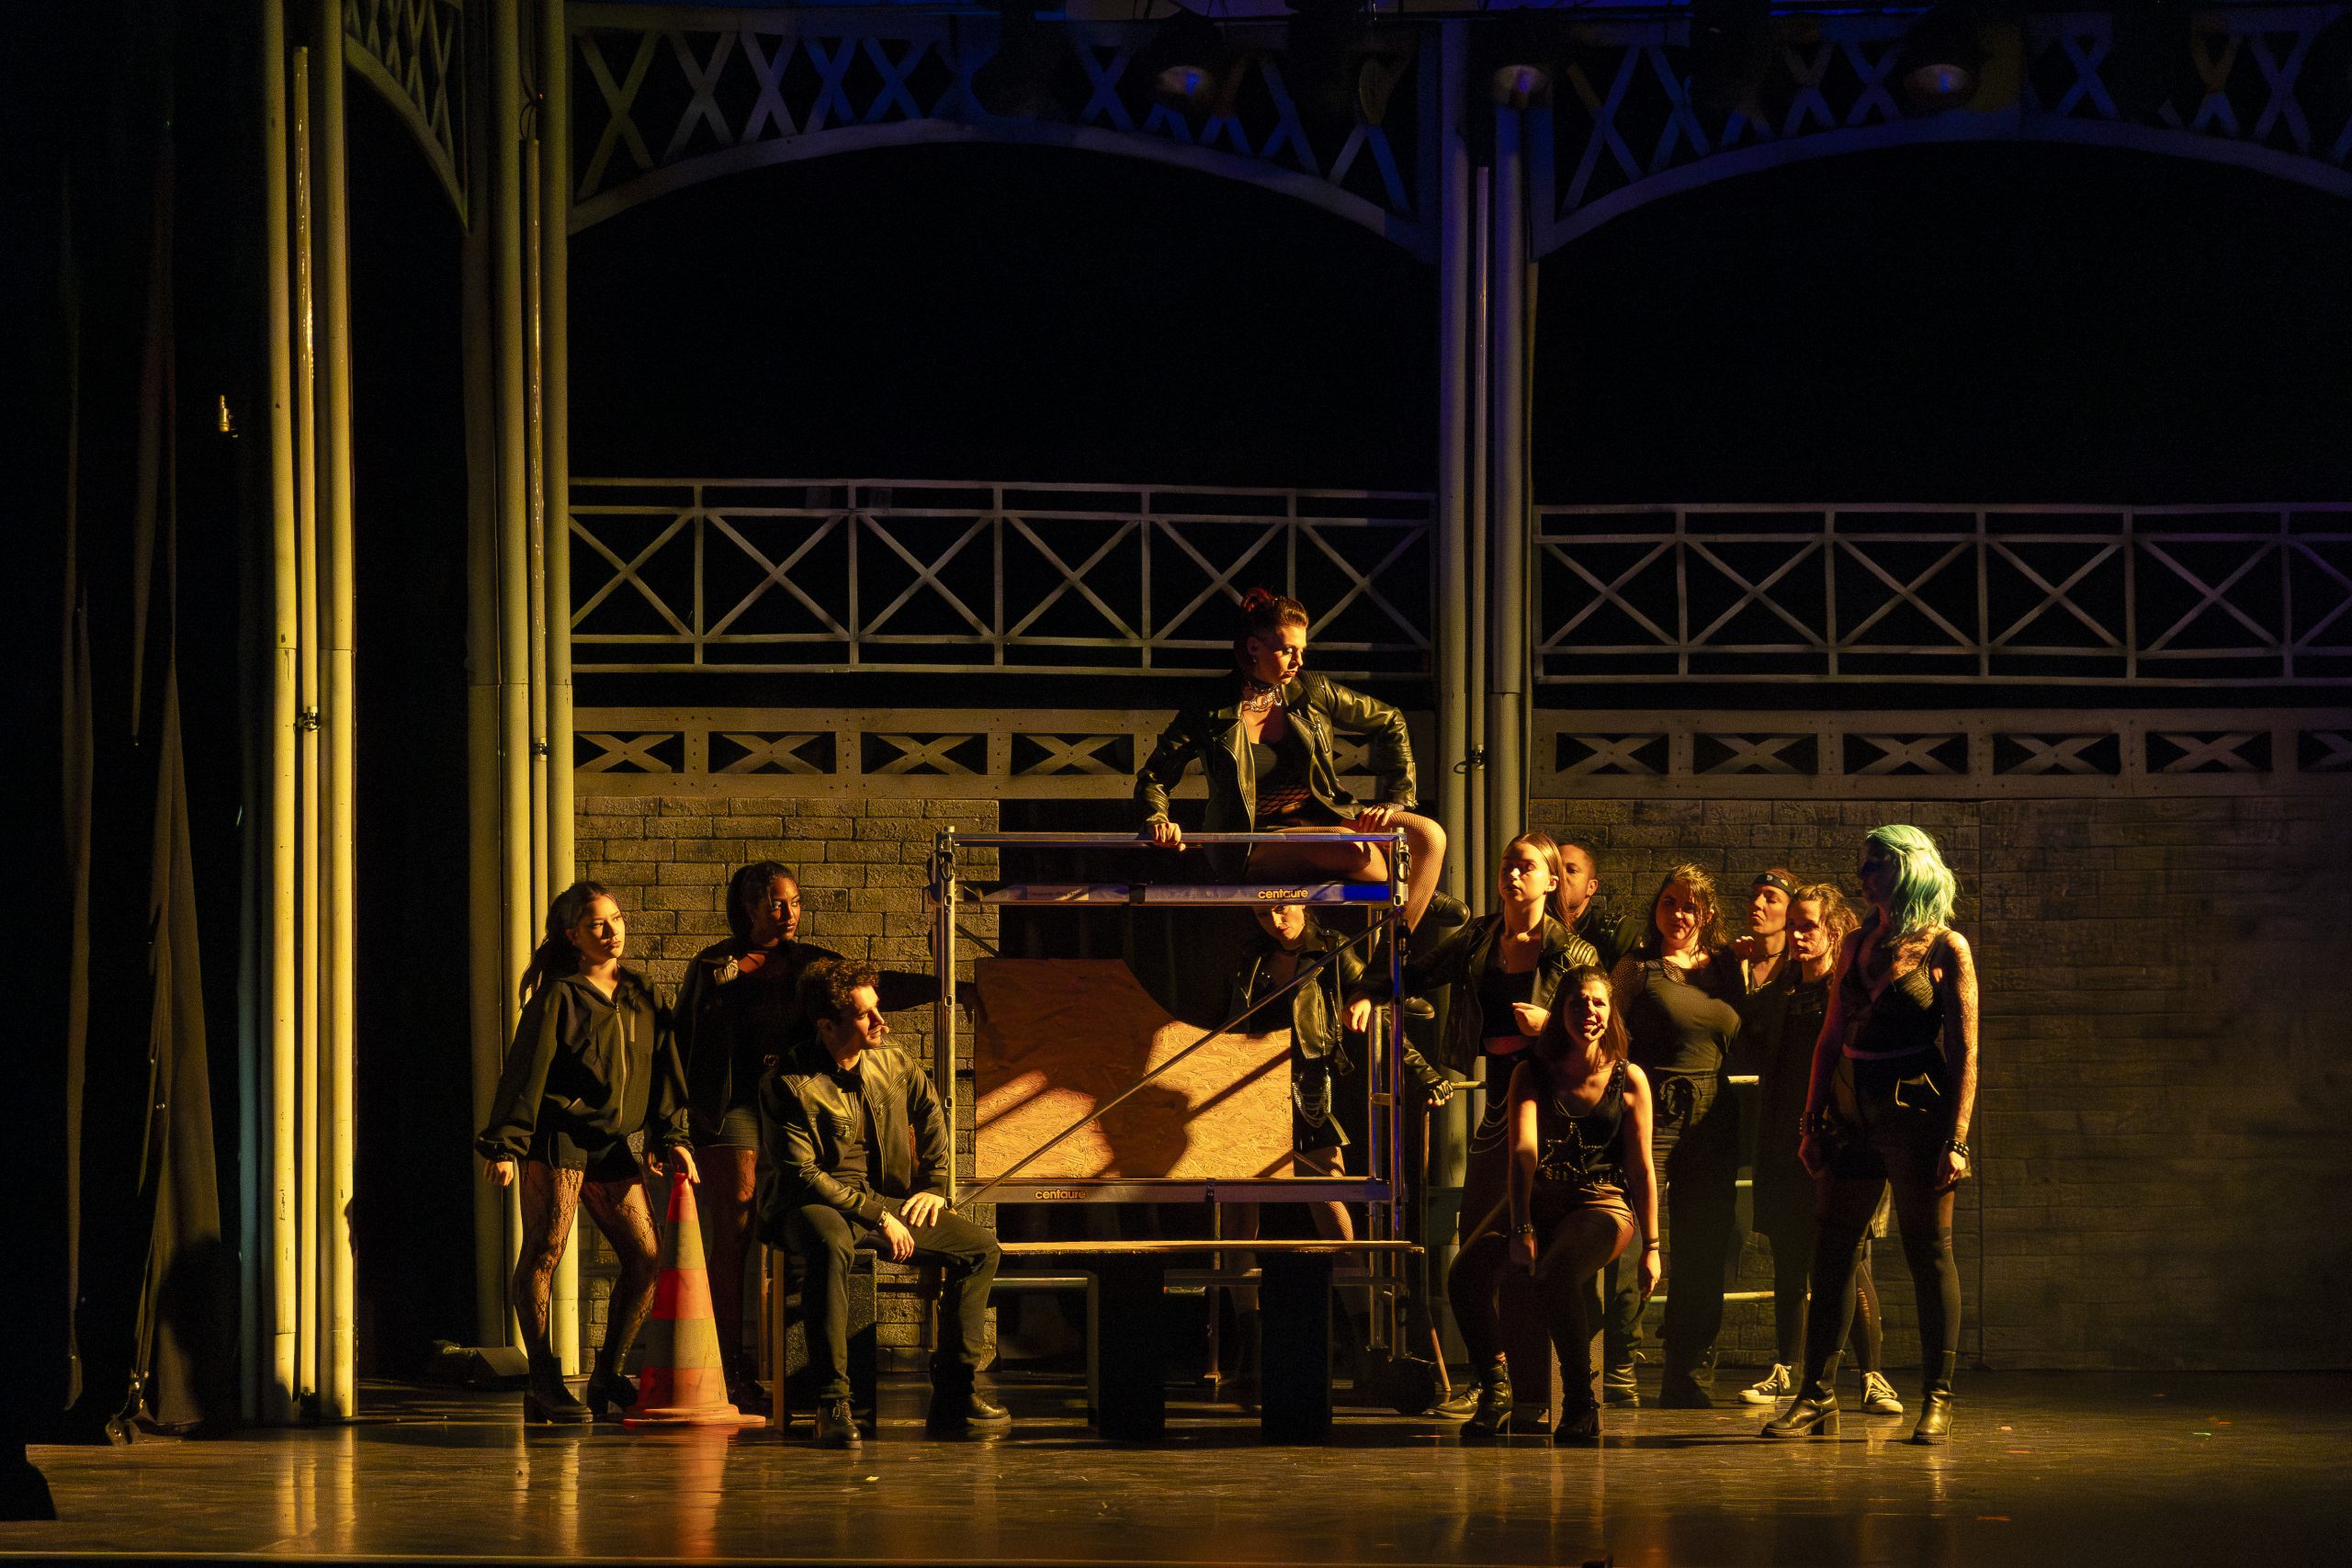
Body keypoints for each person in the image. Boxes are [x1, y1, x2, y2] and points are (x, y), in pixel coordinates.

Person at [676, 862, 933, 1409]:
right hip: (734, 1105)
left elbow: (875, 990)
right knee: (736, 1224)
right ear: (748, 907)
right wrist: (673, 1126)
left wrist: (952, 989)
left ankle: (799, 1371)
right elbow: (681, 1041)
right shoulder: (714, 965)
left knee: (804, 1206)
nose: (788, 912)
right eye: (776, 903)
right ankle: (730, 1366)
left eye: (794, 902)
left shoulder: (814, 964)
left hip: (797, 1097)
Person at [1764, 826, 1979, 1446]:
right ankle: (1816, 1394)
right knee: (1833, 1251)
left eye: (1876, 864)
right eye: (1861, 864)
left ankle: (1937, 1399)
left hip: (1916, 1113)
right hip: (1850, 1111)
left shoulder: (1946, 947)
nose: (1863, 876)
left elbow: (1965, 1051)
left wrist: (1957, 1138)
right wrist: (1811, 1120)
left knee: (1928, 1252)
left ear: (1909, 868)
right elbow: (1830, 1037)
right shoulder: (1857, 942)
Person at [1372, 832, 1594, 1427]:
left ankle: (1556, 1392)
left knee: (1542, 1254)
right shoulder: (1478, 938)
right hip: (1501, 1103)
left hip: (1554, 1110)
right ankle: (1492, 1381)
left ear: (1551, 880)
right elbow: (1412, 974)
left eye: (1526, 867)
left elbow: (1604, 1038)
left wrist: (1551, 1024)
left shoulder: (1573, 952)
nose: (1513, 875)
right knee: (1475, 1246)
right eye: (1507, 865)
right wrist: (1367, 987)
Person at [763, 958, 1008, 1448]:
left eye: (877, 1008)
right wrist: (881, 1216)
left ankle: (955, 1392)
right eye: (865, 1014)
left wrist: (932, 1185)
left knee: (980, 1249)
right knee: (831, 1245)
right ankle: (832, 1402)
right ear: (827, 1025)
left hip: (881, 1202)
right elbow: (803, 1174)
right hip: (811, 1204)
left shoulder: (893, 1063)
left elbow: (932, 1112)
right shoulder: (788, 1081)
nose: (882, 1022)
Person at [476, 882, 697, 1423]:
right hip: (560, 1138)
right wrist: (505, 1145)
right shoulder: (561, 996)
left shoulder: (644, 993)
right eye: (597, 923)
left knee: (646, 1257)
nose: (611, 930)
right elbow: (525, 1071)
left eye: (616, 918)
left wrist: (671, 1136)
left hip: (611, 1142)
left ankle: (607, 1375)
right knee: (545, 1251)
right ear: (572, 935)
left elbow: (666, 1069)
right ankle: (543, 1383)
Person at [1221, 904, 1452, 1402]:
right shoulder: (1250, 957)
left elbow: (1379, 1012)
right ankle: (1252, 1348)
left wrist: (1422, 1071)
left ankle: (1365, 1344)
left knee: (1332, 1210)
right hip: (1247, 1090)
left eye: (1282, 908)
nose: (1275, 920)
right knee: (1238, 1219)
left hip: (1306, 1091)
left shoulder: (1332, 951)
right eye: (1262, 913)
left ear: (1303, 901)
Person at [1136, 587, 1447, 932]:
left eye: (1302, 650)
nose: (1298, 661)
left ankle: (1392, 951)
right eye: (1287, 650)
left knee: (1430, 835)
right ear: (1254, 647)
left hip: (1324, 820)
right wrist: (1157, 818)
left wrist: (1396, 799)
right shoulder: (1209, 706)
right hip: (1254, 840)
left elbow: (1390, 719)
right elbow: (1155, 775)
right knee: (1350, 848)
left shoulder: (1312, 690)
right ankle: (1421, 893)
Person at [1445, 967, 1659, 1442]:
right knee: (1464, 1275)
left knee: (1557, 1274)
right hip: (1541, 1197)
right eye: (1577, 1003)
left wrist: (1652, 1247)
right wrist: (1521, 1225)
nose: (1589, 1012)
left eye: (1598, 1003)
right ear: (1561, 1011)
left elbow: (1643, 1170)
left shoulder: (1629, 1078)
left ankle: (1581, 1403)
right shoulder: (1532, 1072)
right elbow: (1523, 1152)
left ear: (1612, 1012)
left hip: (1603, 1203)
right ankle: (1495, 1390)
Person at [1734, 882, 1900, 1416]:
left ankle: (1872, 1376)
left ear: (1833, 931)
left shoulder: (1848, 990)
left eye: (1808, 926)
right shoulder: (1780, 993)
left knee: (1851, 1258)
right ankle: (1786, 1369)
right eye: (1794, 925)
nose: (1797, 935)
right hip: (1785, 1138)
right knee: (1788, 1255)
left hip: (1843, 1139)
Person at [1607, 863, 1744, 1408]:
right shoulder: (1637, 968)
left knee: (1705, 1246)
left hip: (1712, 1119)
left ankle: (1688, 1371)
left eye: (1690, 905)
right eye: (1669, 902)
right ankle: (1618, 1366)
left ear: (1706, 914)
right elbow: (1605, 1035)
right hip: (1651, 1111)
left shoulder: (1727, 969)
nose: (1679, 914)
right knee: (1630, 1238)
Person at [1557, 840, 1637, 972]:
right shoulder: (1533, 927)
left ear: (1591, 887)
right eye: (1554, 869)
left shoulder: (1617, 932)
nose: (1559, 876)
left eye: (1572, 870)